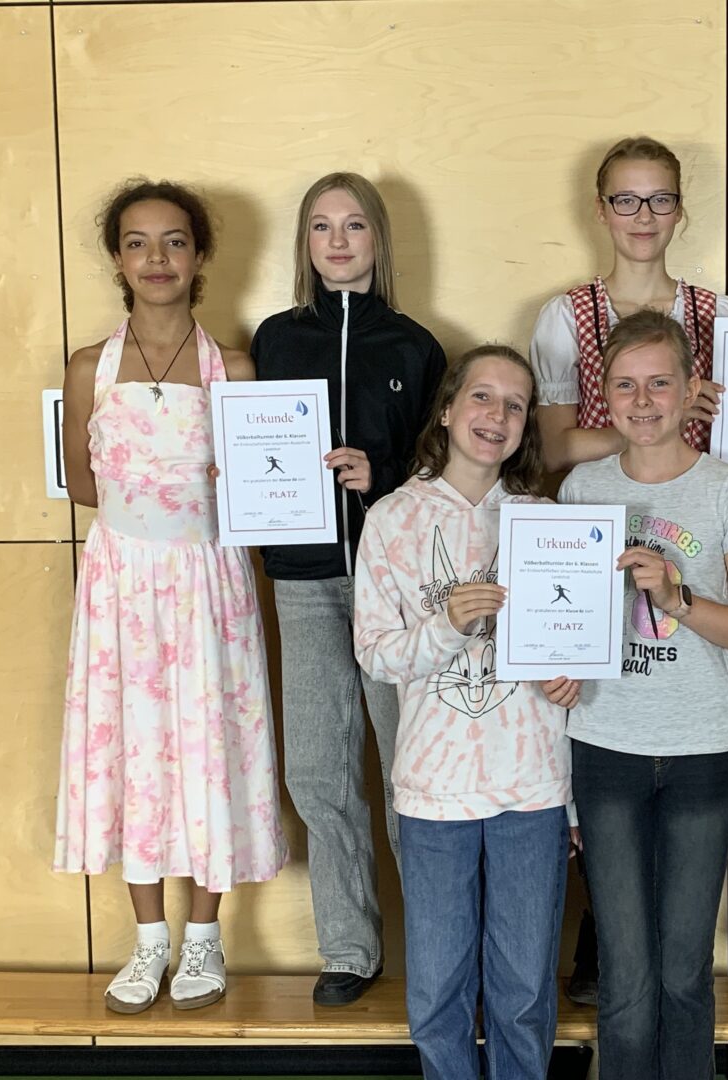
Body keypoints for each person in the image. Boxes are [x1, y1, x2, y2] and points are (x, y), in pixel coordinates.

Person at [530, 135, 728, 1005]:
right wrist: (655, 422)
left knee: (689, 759)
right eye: (625, 200)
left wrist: (706, 424)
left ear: (679, 209)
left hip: (701, 560)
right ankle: (610, 949)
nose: (643, 215)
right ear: (601, 210)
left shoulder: (721, 312)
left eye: (659, 198)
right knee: (614, 753)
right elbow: (555, 449)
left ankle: (649, 963)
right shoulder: (566, 315)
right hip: (606, 560)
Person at [54, 179, 286, 1014]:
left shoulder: (238, 369)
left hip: (208, 582)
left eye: (175, 241)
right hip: (121, 583)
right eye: (138, 243)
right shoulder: (89, 368)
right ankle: (149, 939)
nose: (157, 259)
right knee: (133, 745)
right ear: (118, 259)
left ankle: (203, 938)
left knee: (211, 742)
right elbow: (84, 482)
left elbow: (258, 484)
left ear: (200, 255)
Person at [557, 311, 728, 1080]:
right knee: (624, 977)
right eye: (625, 385)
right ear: (605, 395)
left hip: (700, 754)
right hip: (605, 748)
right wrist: (554, 667)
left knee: (684, 973)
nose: (643, 401)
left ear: (690, 391)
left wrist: (679, 599)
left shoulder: (725, 488)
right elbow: (561, 619)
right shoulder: (582, 488)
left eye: (660, 383)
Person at [355, 345, 578, 1080]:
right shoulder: (392, 519)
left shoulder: (547, 522)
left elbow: (575, 644)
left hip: (532, 784)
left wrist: (571, 675)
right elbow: (375, 655)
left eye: (515, 405)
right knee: (437, 992)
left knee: (523, 993)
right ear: (447, 409)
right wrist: (446, 625)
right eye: (482, 397)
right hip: (434, 790)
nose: (497, 416)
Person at [250, 172, 447, 1006]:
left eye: (354, 225)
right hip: (303, 581)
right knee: (318, 772)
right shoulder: (272, 339)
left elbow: (445, 471)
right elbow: (253, 447)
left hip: (393, 585)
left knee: (413, 772)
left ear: (378, 239)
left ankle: (438, 949)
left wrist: (382, 475)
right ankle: (349, 949)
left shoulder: (414, 346)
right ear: (304, 241)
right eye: (321, 226)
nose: (337, 241)